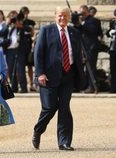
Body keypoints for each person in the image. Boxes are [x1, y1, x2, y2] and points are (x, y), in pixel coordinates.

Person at [32, 6, 84, 150]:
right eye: (60, 15)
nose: (63, 18)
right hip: (48, 76)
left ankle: (64, 142)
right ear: (55, 16)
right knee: (49, 107)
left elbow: (77, 54)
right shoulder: (46, 31)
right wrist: (40, 73)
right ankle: (38, 130)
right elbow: (38, 53)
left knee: (64, 108)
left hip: (68, 75)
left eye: (66, 16)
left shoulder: (74, 32)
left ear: (69, 17)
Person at [78, 5, 103, 93]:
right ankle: (83, 85)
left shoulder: (93, 21)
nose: (82, 15)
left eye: (83, 13)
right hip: (82, 47)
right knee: (82, 67)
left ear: (87, 11)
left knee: (91, 67)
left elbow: (92, 30)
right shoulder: (81, 21)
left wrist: (82, 23)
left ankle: (92, 86)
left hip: (91, 47)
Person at [19, 6, 36, 92]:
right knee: (21, 67)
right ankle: (21, 84)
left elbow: (33, 34)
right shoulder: (18, 22)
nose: (25, 14)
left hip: (28, 45)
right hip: (20, 46)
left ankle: (31, 84)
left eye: (26, 12)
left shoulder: (31, 22)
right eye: (23, 13)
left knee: (30, 66)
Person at [106, 8, 116, 93]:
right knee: (113, 69)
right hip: (114, 48)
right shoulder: (113, 22)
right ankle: (114, 87)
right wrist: (110, 32)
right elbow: (107, 33)